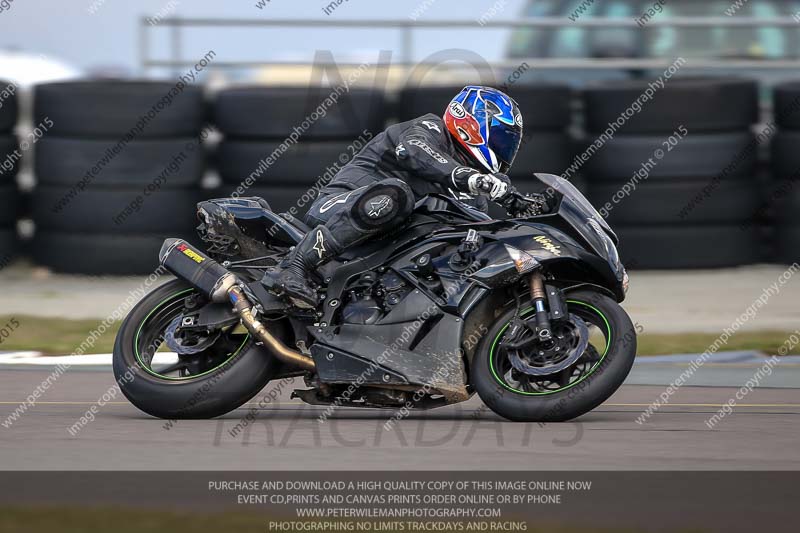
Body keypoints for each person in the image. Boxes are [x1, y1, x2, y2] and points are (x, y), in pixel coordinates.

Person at [263, 85, 549, 308]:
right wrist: (470, 178)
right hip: (339, 206)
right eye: (500, 137)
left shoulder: (473, 194)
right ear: (472, 123)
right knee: (396, 195)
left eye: (508, 142)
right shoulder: (430, 129)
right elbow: (414, 151)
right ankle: (293, 266)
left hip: (384, 245)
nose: (504, 148)